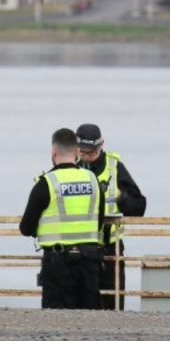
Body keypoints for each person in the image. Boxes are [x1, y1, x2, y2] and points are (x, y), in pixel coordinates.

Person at [20, 128, 105, 310]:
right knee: (90, 319)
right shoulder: (92, 180)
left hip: (58, 263)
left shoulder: (46, 183)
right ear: (77, 152)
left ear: (53, 153)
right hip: (90, 262)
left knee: (56, 320)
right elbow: (99, 221)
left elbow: (26, 228)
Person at [75, 123, 146, 310]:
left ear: (101, 145)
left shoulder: (115, 167)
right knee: (81, 307)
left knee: (113, 306)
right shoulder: (70, 168)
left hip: (110, 248)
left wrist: (122, 197)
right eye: (82, 152)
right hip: (79, 248)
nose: (87, 157)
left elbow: (139, 208)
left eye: (91, 152)